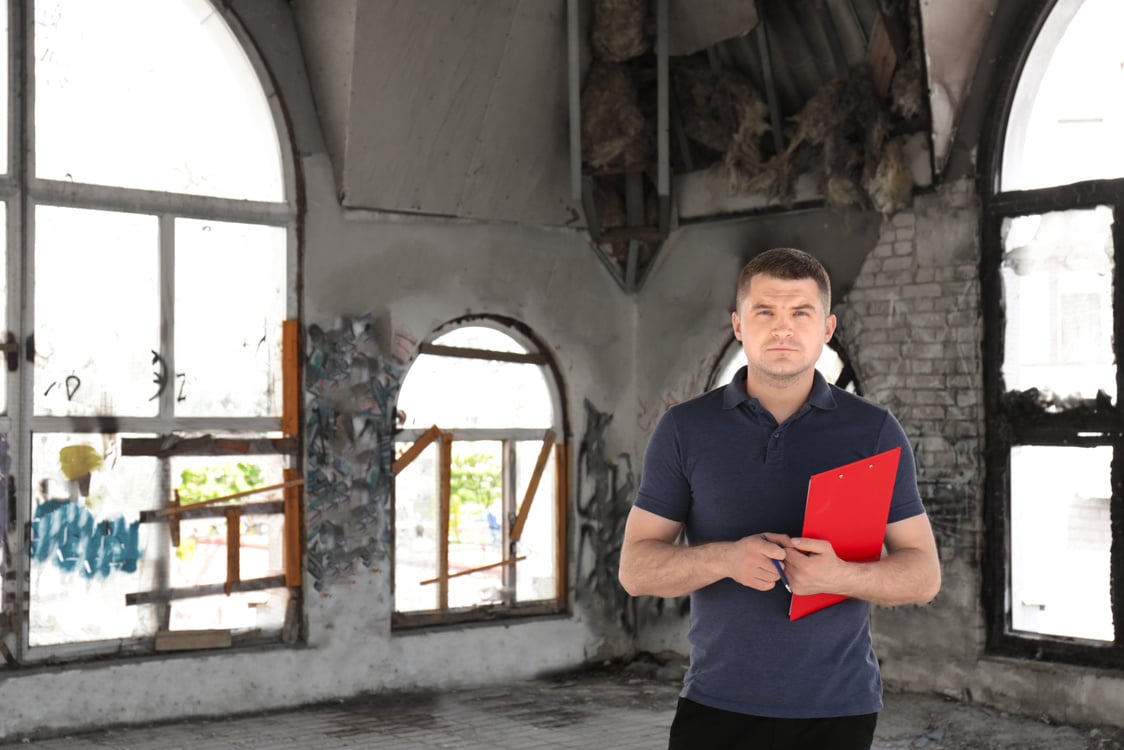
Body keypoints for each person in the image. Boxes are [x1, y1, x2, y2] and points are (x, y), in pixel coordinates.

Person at [618, 247, 941, 750]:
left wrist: (839, 576)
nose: (783, 328)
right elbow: (635, 571)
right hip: (715, 704)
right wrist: (727, 558)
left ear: (827, 328)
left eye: (801, 313)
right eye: (765, 312)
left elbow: (923, 576)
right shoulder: (685, 428)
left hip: (838, 710)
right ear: (739, 324)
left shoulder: (874, 430)